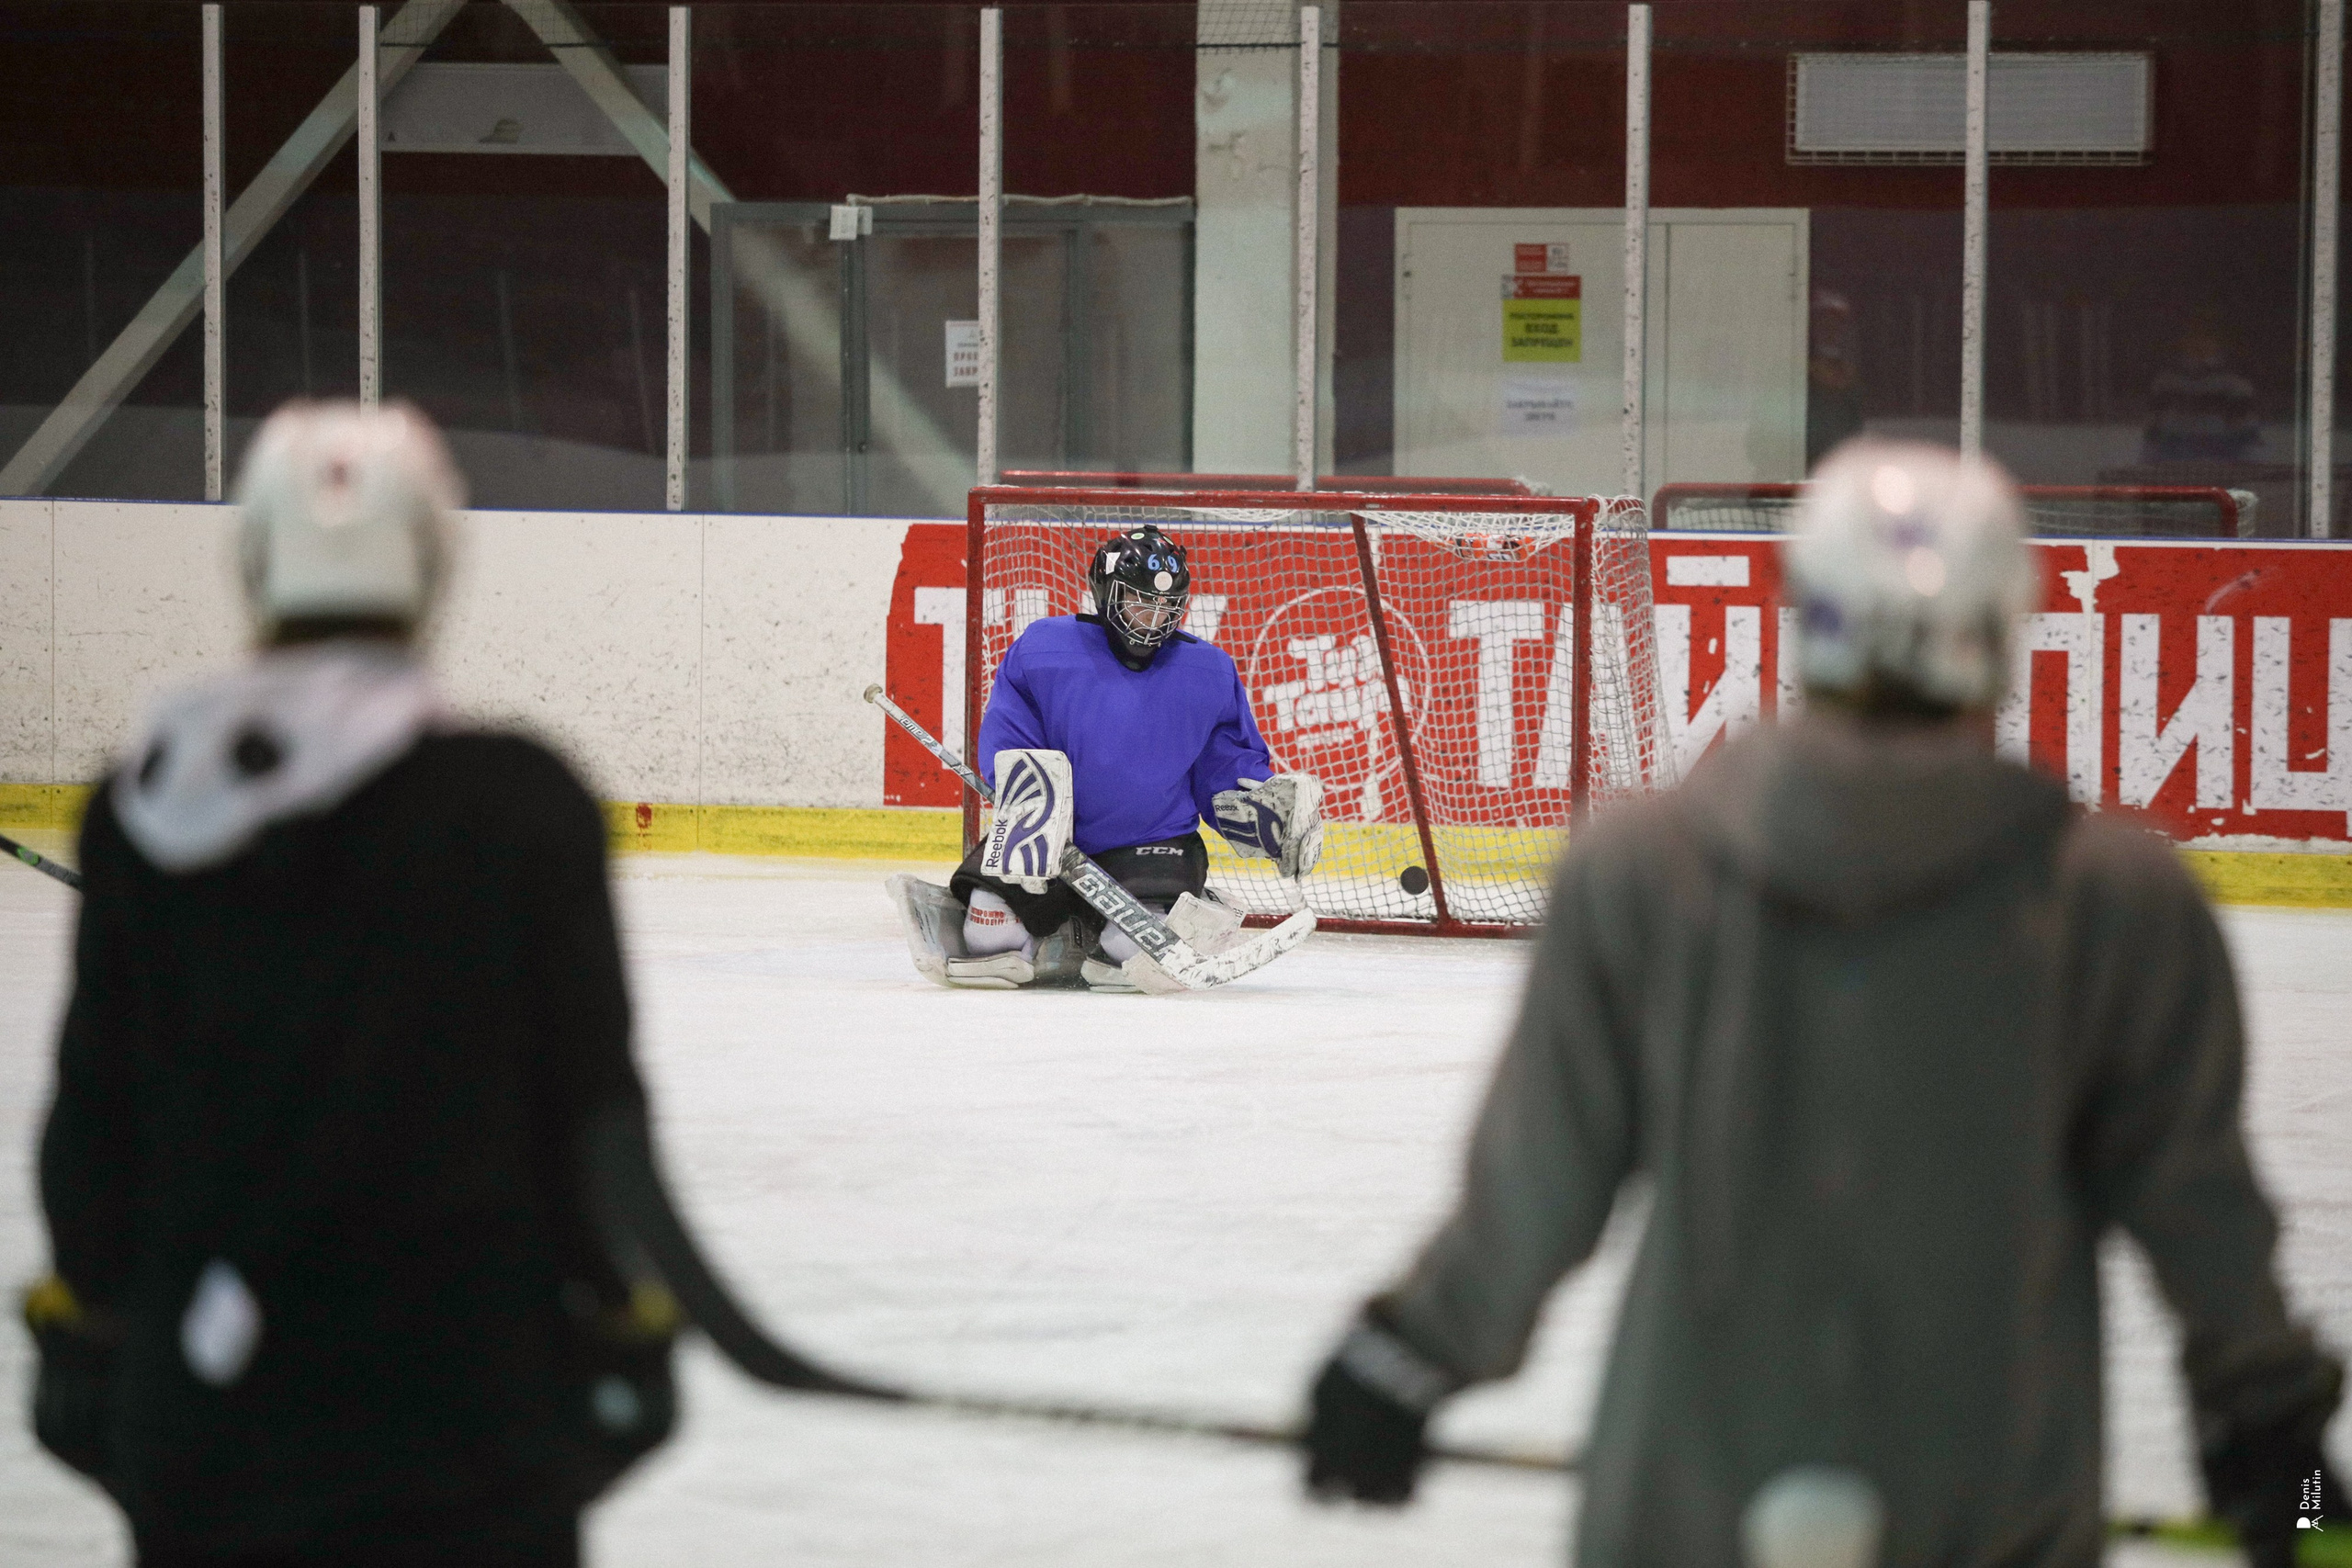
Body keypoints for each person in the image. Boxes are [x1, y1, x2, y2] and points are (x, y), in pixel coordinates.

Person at [1299, 439, 2345, 1566]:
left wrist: (1405, 1359)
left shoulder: (1642, 870)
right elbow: (2197, 1206)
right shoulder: (2113, 902)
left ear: (1807, 616)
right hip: (1991, 1506)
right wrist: (2276, 1452)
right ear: (2003, 630)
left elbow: (1537, 1185)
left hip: (1687, 1503)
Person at [27, 400, 870, 1568]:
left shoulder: (144, 808)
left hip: (209, 1404)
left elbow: (93, 1120)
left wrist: (85, 1327)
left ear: (255, 561)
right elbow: (593, 1115)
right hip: (470, 1410)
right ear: (434, 563)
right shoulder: (518, 804)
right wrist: (629, 1318)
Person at [890, 525, 1323, 993]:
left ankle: (1087, 937)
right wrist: (1034, 810)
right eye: (1140, 603)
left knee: (1131, 947)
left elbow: (1223, 769)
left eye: (1166, 608)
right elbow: (1010, 741)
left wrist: (1260, 811)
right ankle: (1061, 939)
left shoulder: (1208, 671)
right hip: (1049, 841)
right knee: (987, 935)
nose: (1153, 620)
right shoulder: (1044, 649)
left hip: (1153, 842)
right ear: (1106, 594)